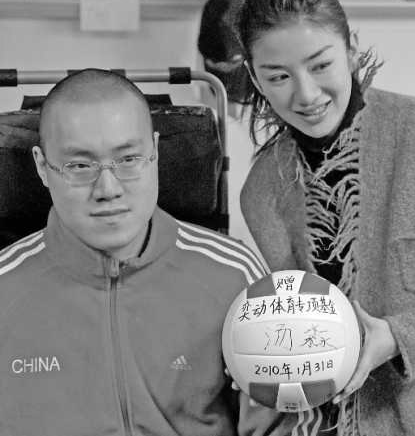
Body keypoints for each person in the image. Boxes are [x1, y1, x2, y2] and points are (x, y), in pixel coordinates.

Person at [0, 68, 298, 436]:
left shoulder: (235, 276)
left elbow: (278, 426)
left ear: (155, 153)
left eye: (128, 159)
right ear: (42, 166)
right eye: (79, 165)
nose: (108, 189)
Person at [237, 0, 415, 436]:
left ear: (350, 49)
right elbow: (305, 331)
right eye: (278, 76)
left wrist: (400, 337)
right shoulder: (263, 189)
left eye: (320, 65)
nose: (306, 94)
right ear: (255, 78)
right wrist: (262, 364)